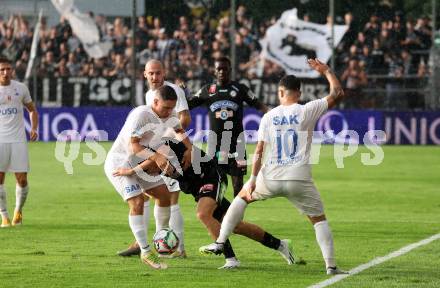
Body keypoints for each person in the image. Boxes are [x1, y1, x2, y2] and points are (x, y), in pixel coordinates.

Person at [199, 59, 348, 275]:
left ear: (280, 92)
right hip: (299, 178)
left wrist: (252, 179)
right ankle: (331, 266)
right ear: (299, 92)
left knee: (241, 198)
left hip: (271, 177)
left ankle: (221, 242)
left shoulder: (269, 116)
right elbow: (337, 93)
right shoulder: (308, 110)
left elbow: (259, 151)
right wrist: (325, 71)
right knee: (318, 220)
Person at [113, 139, 304, 269]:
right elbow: (151, 167)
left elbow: (165, 151)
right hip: (200, 189)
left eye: (151, 170)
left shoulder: (168, 148)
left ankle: (229, 257)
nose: (154, 175)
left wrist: (133, 170)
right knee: (236, 225)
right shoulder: (158, 165)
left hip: (213, 177)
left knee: (203, 214)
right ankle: (281, 245)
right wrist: (133, 173)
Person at [104, 85, 192, 270]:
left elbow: (180, 130)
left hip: (143, 164)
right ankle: (145, 251)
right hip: (121, 164)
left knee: (164, 196)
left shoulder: (170, 115)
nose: (169, 112)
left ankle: (160, 238)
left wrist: (189, 148)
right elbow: (133, 146)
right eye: (166, 108)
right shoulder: (141, 115)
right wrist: (157, 156)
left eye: (172, 108)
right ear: (155, 102)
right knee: (137, 202)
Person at [189, 56, 268, 197]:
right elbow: (189, 104)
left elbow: (259, 105)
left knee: (238, 185)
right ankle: (219, 215)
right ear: (214, 71)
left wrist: (274, 117)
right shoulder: (208, 90)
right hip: (215, 145)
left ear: (230, 70)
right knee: (215, 184)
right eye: (218, 69)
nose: (221, 72)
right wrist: (181, 95)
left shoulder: (240, 89)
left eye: (224, 68)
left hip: (236, 144)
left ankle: (235, 218)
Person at [0, 56, 38, 228]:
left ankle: (18, 211)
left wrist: (34, 128)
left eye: (8, 69)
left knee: (22, 179)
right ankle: (4, 216)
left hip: (17, 139)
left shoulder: (20, 88)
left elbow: (32, 110)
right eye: (2, 69)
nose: (6, 72)